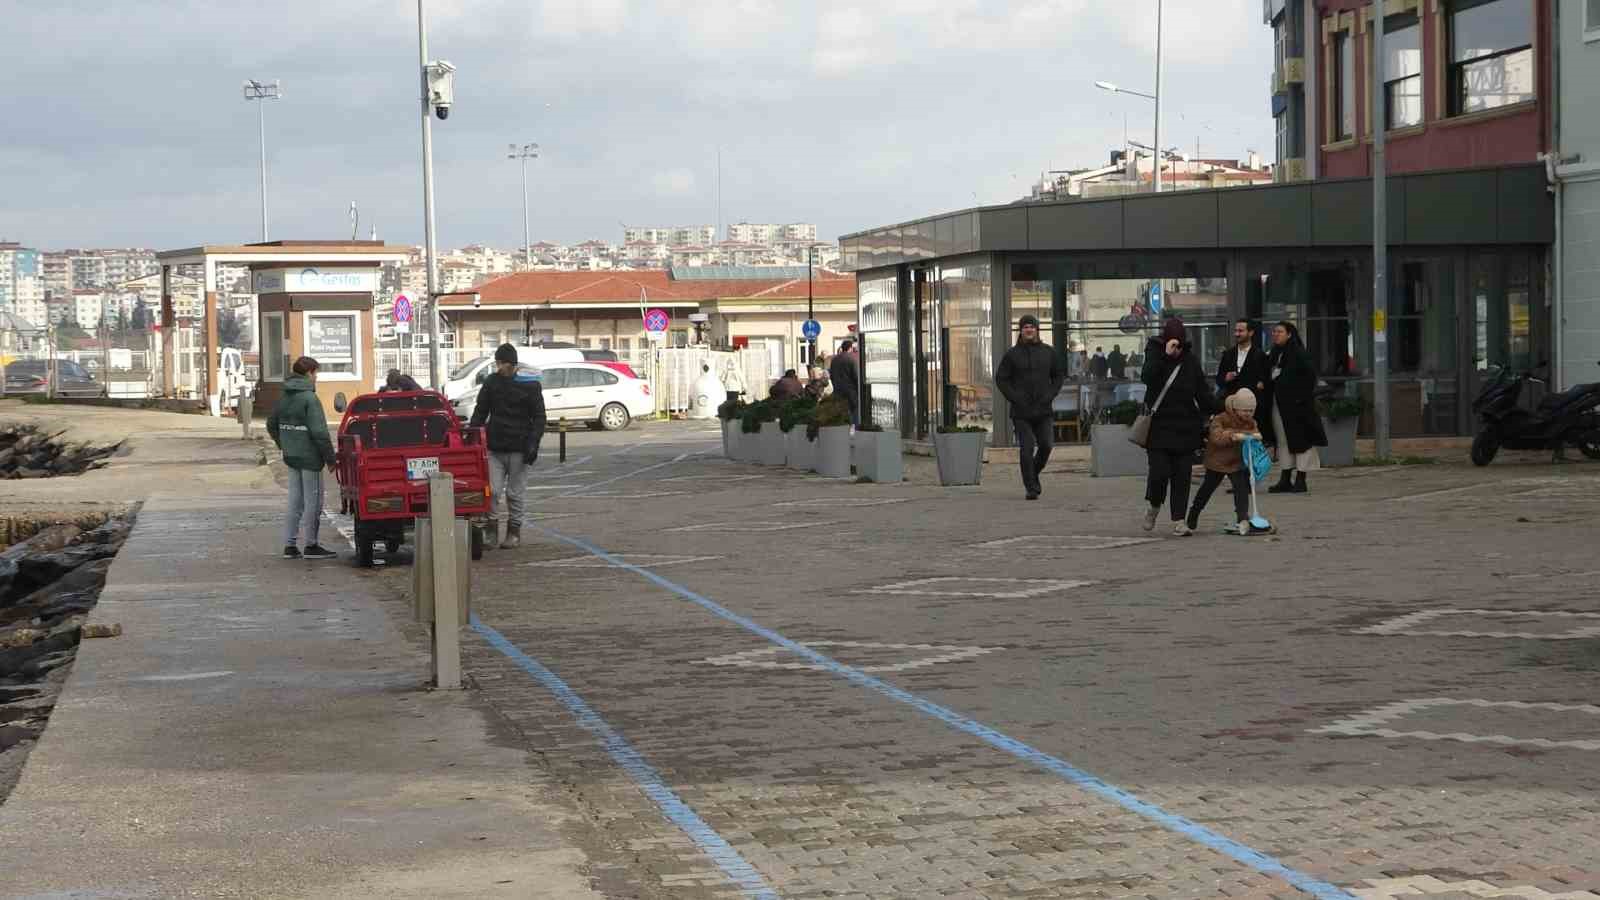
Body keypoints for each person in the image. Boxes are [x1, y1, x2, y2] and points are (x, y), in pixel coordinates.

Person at [1140, 318, 1220, 536]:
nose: (1176, 347)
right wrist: (1165, 356)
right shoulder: (1155, 353)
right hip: (1159, 427)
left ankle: (1179, 520)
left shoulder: (1190, 361)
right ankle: (1154, 506)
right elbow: (1147, 377)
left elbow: (1202, 393)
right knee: (1159, 473)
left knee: (1182, 476)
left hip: (1185, 427)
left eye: (1179, 343)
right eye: (1172, 342)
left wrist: (1222, 407)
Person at [468, 344, 547, 549]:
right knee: (492, 491)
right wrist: (472, 435)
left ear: (511, 364)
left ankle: (514, 532)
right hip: (495, 446)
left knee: (514, 493)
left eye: (501, 363)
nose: (499, 367)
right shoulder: (491, 382)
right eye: (497, 363)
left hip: (520, 448)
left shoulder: (530, 385)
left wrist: (533, 443)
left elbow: (539, 417)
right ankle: (491, 531)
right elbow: (481, 410)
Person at [267, 356, 337, 560]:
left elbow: (271, 424)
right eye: (316, 373)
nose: (317, 378)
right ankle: (311, 545)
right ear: (309, 373)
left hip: (292, 456)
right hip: (310, 458)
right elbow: (320, 433)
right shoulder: (309, 399)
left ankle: (290, 545)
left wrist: (284, 444)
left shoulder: (284, 396)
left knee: (294, 501)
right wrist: (330, 459)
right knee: (313, 501)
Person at [993, 314, 1066, 501]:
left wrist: (1049, 395)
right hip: (1021, 411)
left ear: (1037, 329)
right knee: (1026, 448)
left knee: (1046, 445)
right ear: (1021, 330)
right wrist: (1015, 398)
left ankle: (1031, 474)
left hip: (1043, 409)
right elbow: (1001, 379)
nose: (1029, 330)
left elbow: (1058, 376)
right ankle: (1031, 488)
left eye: (1032, 327)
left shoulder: (1048, 352)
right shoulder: (1012, 355)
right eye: (1025, 327)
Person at [1186, 388, 1270, 535]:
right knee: (1207, 488)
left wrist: (1255, 436)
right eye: (1244, 410)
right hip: (1218, 461)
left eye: (1251, 411)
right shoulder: (1221, 419)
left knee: (1241, 488)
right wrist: (1232, 435)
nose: (1248, 414)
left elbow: (1255, 433)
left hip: (1237, 462)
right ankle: (1194, 512)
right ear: (1236, 408)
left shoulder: (1250, 422)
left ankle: (1242, 518)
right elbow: (1216, 437)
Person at [1265, 321, 1326, 494]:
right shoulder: (1275, 353)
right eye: (1274, 332)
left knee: (1301, 442)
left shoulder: (1299, 353)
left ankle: (1301, 479)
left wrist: (1299, 398)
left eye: (1280, 331)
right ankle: (1285, 478)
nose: (1276, 334)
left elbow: (1309, 378)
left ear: (1289, 334)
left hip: (1298, 407)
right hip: (1278, 405)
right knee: (1283, 441)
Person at [1215, 319, 1269, 399]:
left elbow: (1265, 381)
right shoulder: (1228, 354)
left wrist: (1261, 384)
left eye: (1240, 331)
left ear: (1251, 333)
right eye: (1236, 331)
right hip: (1231, 401)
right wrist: (1225, 378)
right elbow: (1219, 379)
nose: (1237, 334)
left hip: (1252, 402)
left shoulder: (1260, 355)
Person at [828, 339, 861, 427]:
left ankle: (843, 428)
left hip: (838, 389)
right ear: (850, 348)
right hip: (850, 390)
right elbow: (856, 376)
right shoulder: (852, 359)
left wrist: (835, 385)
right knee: (854, 410)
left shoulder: (834, 359)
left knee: (840, 411)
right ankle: (854, 428)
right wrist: (858, 389)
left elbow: (831, 375)